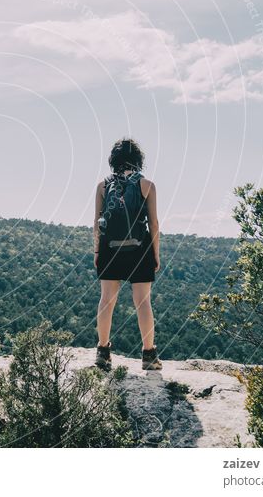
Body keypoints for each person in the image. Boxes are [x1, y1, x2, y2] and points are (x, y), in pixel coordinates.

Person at [93, 138, 162, 371]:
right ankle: (149, 355)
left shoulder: (103, 186)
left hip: (109, 248)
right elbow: (153, 224)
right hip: (139, 248)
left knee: (106, 300)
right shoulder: (147, 186)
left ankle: (103, 352)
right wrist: (155, 254)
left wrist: (96, 252)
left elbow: (96, 223)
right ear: (138, 159)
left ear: (114, 160)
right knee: (143, 302)